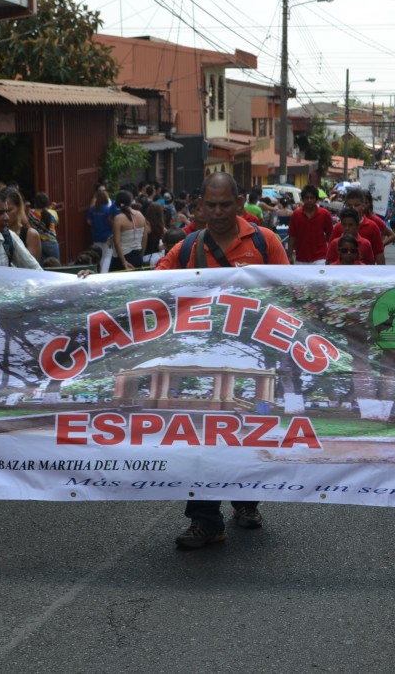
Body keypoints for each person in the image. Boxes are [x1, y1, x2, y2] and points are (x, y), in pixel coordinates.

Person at [155, 172, 288, 549]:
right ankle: (205, 520)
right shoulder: (186, 247)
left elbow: (289, 292)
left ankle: (247, 503)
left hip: (254, 360)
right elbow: (149, 284)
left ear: (240, 202)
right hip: (203, 360)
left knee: (247, 432)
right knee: (204, 439)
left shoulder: (265, 242)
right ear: (199, 205)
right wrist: (92, 284)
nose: (217, 212)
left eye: (225, 205)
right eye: (210, 205)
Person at [287, 185, 333, 265]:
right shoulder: (296, 215)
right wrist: (290, 255)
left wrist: (330, 254)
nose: (309, 200)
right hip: (301, 257)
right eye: (306, 198)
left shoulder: (325, 214)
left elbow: (330, 236)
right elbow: (292, 236)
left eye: (312, 198)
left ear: (316, 199)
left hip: (320, 257)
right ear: (303, 199)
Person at [110, 190, 148, 272]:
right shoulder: (140, 215)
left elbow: (117, 242)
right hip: (137, 255)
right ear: (130, 201)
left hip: (120, 258)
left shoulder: (118, 219)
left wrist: (124, 262)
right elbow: (144, 238)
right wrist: (141, 256)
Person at [29, 192, 60, 262]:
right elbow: (56, 222)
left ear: (35, 203)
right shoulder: (52, 214)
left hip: (39, 243)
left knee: (42, 266)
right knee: (55, 265)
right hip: (51, 243)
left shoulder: (30, 214)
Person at [86, 185, 116, 254]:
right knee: (108, 255)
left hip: (95, 235)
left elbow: (88, 221)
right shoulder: (108, 209)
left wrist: (96, 224)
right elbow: (111, 222)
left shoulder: (92, 209)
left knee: (98, 255)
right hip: (107, 235)